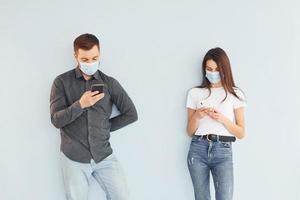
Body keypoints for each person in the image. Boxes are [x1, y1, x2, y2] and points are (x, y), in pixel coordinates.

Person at [50, 33, 138, 200]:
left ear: (100, 54)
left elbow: (131, 114)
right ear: (75, 56)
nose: (90, 63)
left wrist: (104, 127)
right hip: (73, 158)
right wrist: (80, 104)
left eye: (94, 58)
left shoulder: (110, 83)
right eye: (85, 59)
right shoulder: (61, 82)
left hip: (104, 156)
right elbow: (56, 120)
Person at [186, 47, 246, 200]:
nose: (213, 73)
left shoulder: (235, 94)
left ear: (224, 69)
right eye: (209, 69)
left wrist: (222, 119)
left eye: (216, 69)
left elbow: (241, 133)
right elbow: (190, 131)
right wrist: (198, 116)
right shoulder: (195, 93)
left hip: (223, 151)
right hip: (198, 149)